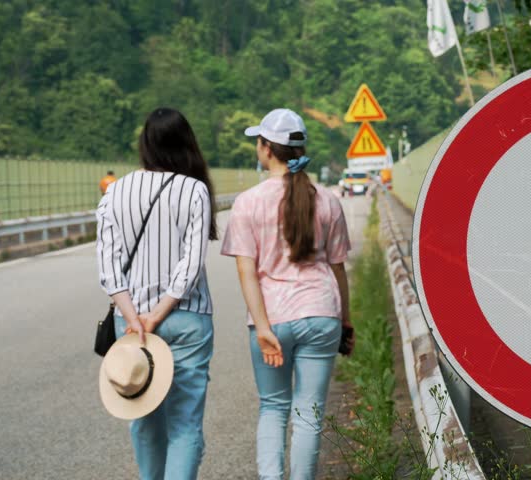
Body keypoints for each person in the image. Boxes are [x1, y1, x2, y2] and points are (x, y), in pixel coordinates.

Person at [220, 108, 353, 480]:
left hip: (273, 320)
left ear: (265, 148)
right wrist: (345, 321)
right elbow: (338, 267)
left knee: (273, 407)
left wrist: (262, 328)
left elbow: (246, 271)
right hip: (322, 312)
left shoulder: (248, 202)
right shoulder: (327, 200)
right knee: (308, 413)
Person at [95, 107, 219, 479]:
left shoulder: (115, 192)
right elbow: (192, 262)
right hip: (187, 318)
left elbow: (108, 266)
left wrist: (135, 317)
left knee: (145, 420)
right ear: (187, 146)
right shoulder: (195, 190)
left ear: (145, 145)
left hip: (131, 325)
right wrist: (161, 311)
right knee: (184, 423)